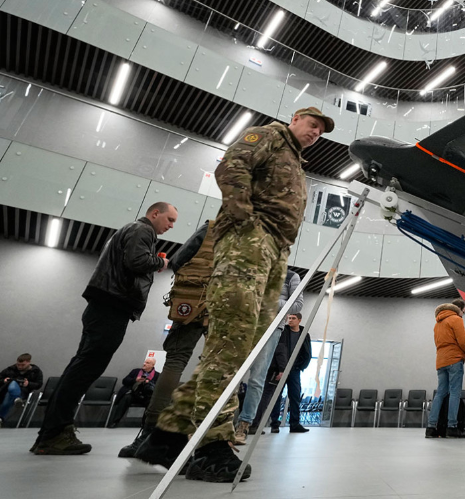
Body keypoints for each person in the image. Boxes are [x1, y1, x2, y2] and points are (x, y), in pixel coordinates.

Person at [136, 108, 334, 483]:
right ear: (295, 119)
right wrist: (244, 219)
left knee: (240, 349)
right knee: (231, 345)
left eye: (321, 131)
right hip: (249, 246)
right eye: (313, 125)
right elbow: (232, 165)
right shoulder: (271, 137)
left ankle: (168, 436)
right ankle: (212, 445)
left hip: (273, 252)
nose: (315, 133)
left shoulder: (295, 160)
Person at [32, 202, 176, 455]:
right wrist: (159, 262)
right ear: (155, 213)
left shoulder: (131, 230)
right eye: (170, 219)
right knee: (86, 367)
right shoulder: (143, 230)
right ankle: (54, 433)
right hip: (112, 304)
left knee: (81, 366)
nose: (171, 225)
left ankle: (52, 432)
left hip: (105, 303)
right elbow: (137, 261)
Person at [119, 220, 214, 457]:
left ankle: (150, 434)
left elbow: (178, 260)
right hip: (232, 311)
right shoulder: (261, 233)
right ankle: (211, 444)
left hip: (194, 303)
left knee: (175, 361)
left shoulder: (213, 227)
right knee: (218, 369)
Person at [234, 269, 304, 444]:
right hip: (244, 323)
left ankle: (245, 424)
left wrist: (266, 300)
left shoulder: (291, 277)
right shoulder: (255, 266)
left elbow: (297, 305)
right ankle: (222, 422)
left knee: (257, 378)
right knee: (230, 375)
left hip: (271, 328)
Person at [425, 299, 465, 439]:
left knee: (440, 393)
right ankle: (452, 427)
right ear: (460, 309)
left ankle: (431, 427)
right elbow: (462, 340)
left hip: (441, 360)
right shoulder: (456, 319)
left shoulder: (438, 323)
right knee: (455, 393)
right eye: (464, 311)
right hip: (454, 359)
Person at [265, 313, 312, 434]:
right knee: (276, 396)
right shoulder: (283, 332)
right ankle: (274, 424)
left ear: (299, 320)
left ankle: (294, 424)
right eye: (289, 318)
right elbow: (277, 350)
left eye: (293, 318)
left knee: (295, 396)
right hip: (280, 369)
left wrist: (301, 366)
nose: (290, 320)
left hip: (295, 370)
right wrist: (278, 368)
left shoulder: (304, 334)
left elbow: (307, 352)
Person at [108, 358, 158, 428]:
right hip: (133, 393)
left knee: (151, 403)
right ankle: (114, 422)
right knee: (126, 398)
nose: (144, 364)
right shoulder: (135, 371)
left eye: (147, 363)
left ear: (152, 365)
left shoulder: (157, 375)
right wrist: (135, 379)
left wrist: (149, 382)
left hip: (146, 396)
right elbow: (125, 381)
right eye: (145, 362)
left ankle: (145, 424)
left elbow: (157, 387)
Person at [0, 353, 43, 426]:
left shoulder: (36, 371)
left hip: (24, 392)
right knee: (13, 383)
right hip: (7, 391)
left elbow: (39, 384)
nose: (20, 367)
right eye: (18, 365)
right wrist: (4, 380)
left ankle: (1, 418)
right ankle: (17, 399)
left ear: (29, 362)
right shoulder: (11, 369)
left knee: (8, 399)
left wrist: (28, 384)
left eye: (23, 365)